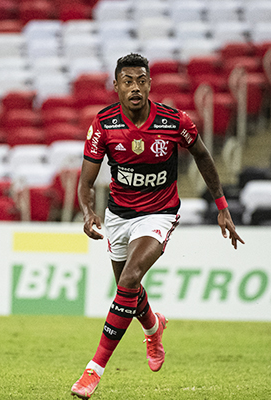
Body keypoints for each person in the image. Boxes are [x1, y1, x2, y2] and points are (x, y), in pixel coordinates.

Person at [70, 53, 244, 399]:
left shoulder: (174, 121)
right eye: (128, 81)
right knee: (127, 288)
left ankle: (93, 371)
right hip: (119, 216)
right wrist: (89, 212)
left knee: (131, 278)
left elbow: (204, 157)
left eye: (142, 80)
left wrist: (222, 206)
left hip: (159, 213)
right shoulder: (103, 124)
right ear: (116, 86)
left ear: (150, 83)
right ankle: (153, 327)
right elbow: (86, 181)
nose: (135, 87)